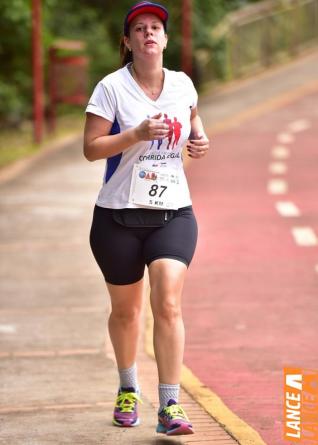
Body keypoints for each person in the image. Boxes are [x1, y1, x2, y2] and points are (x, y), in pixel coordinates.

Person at [83, 1, 209, 437]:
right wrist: (135, 135)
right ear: (128, 41)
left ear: (166, 39)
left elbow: (192, 117)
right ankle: (128, 389)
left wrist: (199, 137)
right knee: (126, 311)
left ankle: (171, 404)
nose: (148, 34)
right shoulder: (111, 88)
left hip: (173, 212)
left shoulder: (182, 84)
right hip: (117, 215)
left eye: (155, 27)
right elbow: (91, 147)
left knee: (168, 301)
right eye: (139, 29)